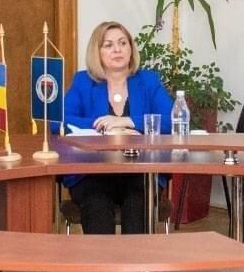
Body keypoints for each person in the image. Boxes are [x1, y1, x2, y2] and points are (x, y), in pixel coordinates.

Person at [63, 20, 173, 234]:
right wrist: (105, 127)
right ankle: (103, 258)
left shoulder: (148, 81)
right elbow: (60, 122)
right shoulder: (83, 82)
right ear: (97, 52)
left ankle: (137, 258)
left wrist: (129, 122)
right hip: (92, 172)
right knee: (97, 204)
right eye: (109, 45)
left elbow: (171, 121)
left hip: (141, 171)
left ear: (131, 48)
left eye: (123, 43)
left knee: (137, 203)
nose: (117, 49)